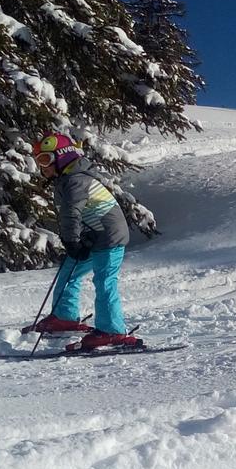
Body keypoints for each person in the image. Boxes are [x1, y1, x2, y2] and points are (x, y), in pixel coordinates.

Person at [30, 132, 139, 349]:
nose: (42, 167)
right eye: (39, 161)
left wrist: (71, 241)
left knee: (104, 280)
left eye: (45, 160)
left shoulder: (76, 180)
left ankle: (112, 331)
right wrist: (76, 241)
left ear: (60, 157)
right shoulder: (67, 180)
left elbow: (72, 213)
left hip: (109, 236)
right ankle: (64, 317)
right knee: (68, 272)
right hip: (93, 236)